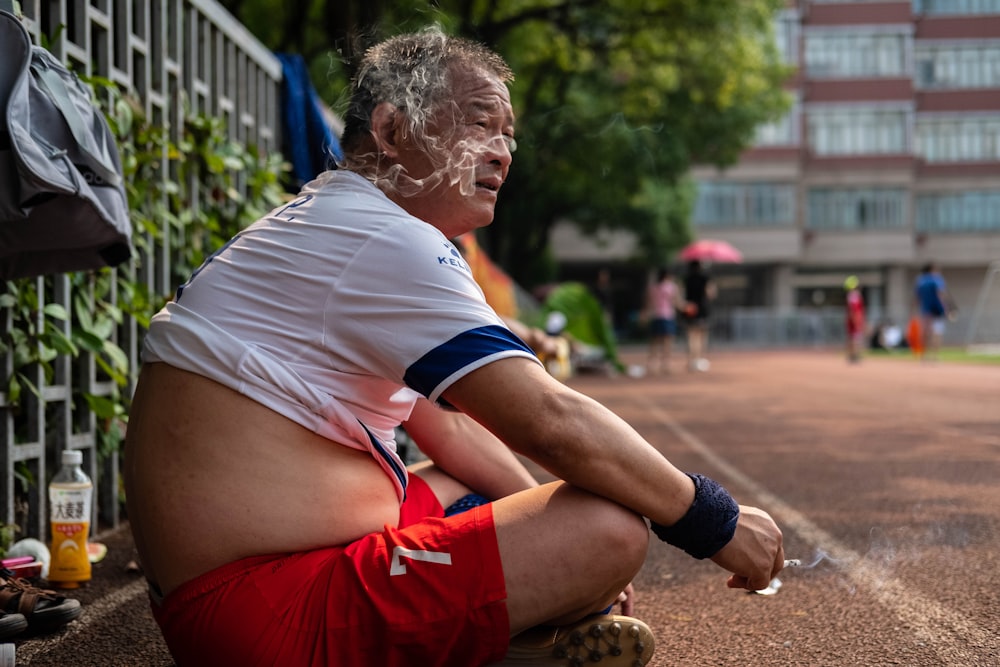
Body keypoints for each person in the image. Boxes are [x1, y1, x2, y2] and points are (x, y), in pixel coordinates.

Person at [123, 28, 784, 667]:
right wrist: (714, 523)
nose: (502, 150)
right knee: (609, 527)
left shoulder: (335, 219)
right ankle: (503, 636)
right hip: (268, 609)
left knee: (490, 489)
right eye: (478, 123)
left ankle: (516, 633)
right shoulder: (384, 242)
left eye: (508, 132)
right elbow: (548, 420)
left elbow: (458, 433)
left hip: (227, 591)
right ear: (390, 132)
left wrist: (550, 554)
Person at [913, 262, 955, 360]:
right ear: (932, 269)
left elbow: (917, 297)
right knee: (937, 332)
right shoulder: (936, 279)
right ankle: (935, 355)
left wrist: (914, 309)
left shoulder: (920, 280)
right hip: (937, 309)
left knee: (925, 332)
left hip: (925, 310)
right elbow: (940, 294)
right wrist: (947, 308)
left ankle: (923, 355)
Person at [644, 267, 680, 375]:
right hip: (668, 315)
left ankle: (652, 364)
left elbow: (649, 302)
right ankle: (666, 364)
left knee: (654, 341)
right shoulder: (671, 287)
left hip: (655, 315)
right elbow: (676, 301)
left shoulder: (653, 287)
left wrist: (645, 314)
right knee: (668, 342)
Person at [682, 260, 716, 371]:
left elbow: (683, 295)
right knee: (702, 336)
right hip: (702, 309)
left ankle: (692, 360)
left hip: (690, 309)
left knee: (691, 336)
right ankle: (700, 359)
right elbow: (710, 294)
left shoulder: (686, 279)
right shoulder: (705, 278)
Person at [844, 275, 866, 363]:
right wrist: (857, 321)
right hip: (854, 320)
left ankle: (852, 355)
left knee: (852, 337)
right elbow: (855, 310)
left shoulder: (850, 295)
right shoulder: (854, 295)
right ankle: (854, 355)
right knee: (855, 338)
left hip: (851, 320)